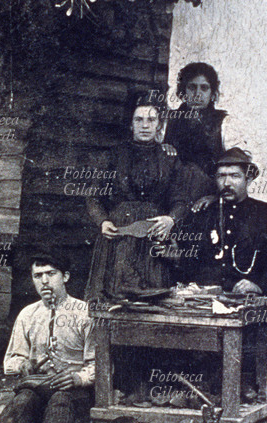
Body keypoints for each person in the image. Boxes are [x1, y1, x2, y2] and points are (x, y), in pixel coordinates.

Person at [84, 90, 205, 300]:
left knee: (151, 298)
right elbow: (93, 196)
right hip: (118, 237)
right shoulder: (113, 155)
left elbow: (181, 199)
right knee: (114, 297)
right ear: (130, 124)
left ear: (159, 124)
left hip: (153, 235)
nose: (145, 125)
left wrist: (171, 219)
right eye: (138, 119)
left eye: (151, 119)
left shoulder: (168, 157)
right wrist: (102, 222)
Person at [0, 250, 95, 423]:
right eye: (37, 275)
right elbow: (11, 360)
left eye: (51, 274)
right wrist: (22, 365)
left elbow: (98, 363)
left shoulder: (85, 313)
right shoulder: (27, 315)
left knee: (61, 398)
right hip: (38, 387)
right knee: (24, 398)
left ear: (66, 277)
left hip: (74, 392)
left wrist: (78, 378)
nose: (44, 281)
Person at [174, 148, 267, 295]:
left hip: (249, 298)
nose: (226, 183)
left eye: (235, 176)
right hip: (205, 300)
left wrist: (259, 285)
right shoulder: (202, 214)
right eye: (221, 176)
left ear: (248, 179)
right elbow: (190, 262)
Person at [164, 62, 251, 197]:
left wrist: (218, 195)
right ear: (183, 91)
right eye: (192, 87)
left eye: (204, 88)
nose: (198, 94)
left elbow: (240, 163)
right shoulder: (168, 120)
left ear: (212, 93)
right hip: (171, 196)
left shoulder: (224, 123)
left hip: (208, 197)